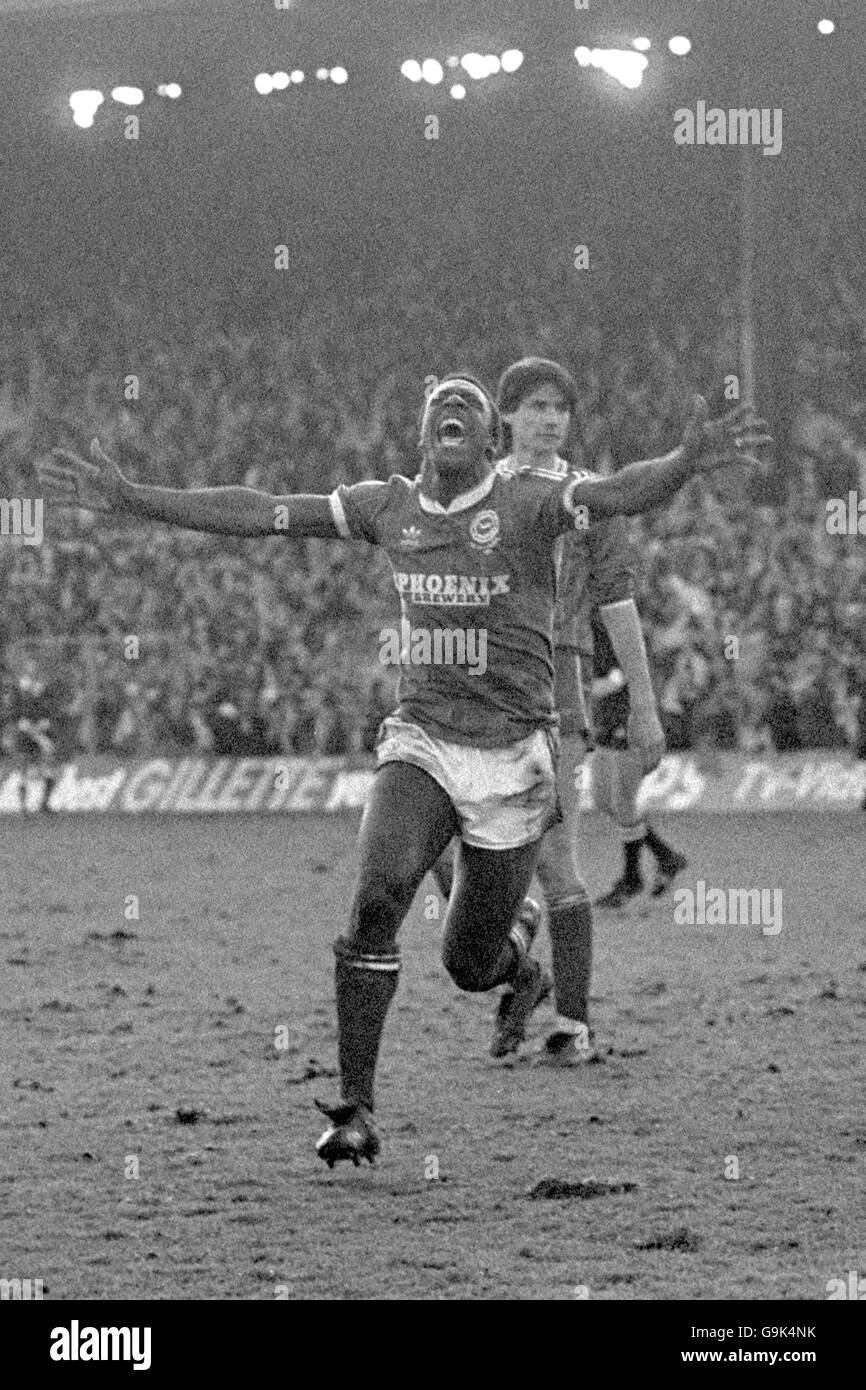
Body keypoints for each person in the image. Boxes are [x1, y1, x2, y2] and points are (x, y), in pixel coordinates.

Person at [40, 375, 768, 1167]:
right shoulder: (389, 507)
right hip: (420, 740)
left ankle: (518, 975)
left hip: (514, 758)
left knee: (466, 962)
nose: (452, 410)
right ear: (423, 436)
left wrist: (685, 462)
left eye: (469, 407)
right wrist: (135, 497)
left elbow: (625, 493)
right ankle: (354, 1108)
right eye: (439, 406)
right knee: (378, 893)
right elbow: (263, 512)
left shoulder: (530, 502)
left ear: (490, 442)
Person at [430, 357, 669, 1066]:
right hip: (468, 690)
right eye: (534, 406)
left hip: (554, 687)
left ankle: (572, 1024)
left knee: (558, 861)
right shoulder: (469, 485)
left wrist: (646, 706)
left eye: (559, 409)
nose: (548, 419)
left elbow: (616, 600)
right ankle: (518, 954)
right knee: (446, 854)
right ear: (503, 416)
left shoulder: (585, 497)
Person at [588, 607, 687, 909]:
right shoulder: (585, 623)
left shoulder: (619, 625)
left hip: (629, 720)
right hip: (606, 719)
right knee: (604, 800)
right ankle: (666, 857)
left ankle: (632, 879)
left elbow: (621, 676)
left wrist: (584, 689)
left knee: (623, 802)